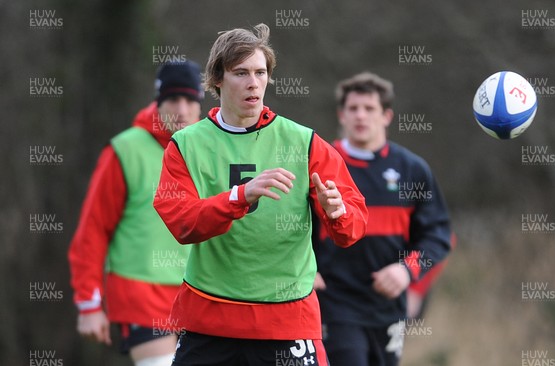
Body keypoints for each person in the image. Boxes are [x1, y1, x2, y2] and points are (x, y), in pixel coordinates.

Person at [152, 24, 368, 366]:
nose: (253, 82)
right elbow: (183, 223)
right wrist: (239, 196)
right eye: (241, 73)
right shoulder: (186, 145)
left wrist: (338, 213)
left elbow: (353, 228)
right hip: (210, 320)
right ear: (217, 79)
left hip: (285, 322)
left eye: (260, 72)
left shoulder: (304, 142)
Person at [68, 60, 204, 366]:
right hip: (142, 296)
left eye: (189, 100)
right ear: (158, 103)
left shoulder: (212, 149)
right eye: (172, 100)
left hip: (202, 295)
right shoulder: (124, 150)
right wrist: (89, 304)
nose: (181, 110)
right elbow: (93, 229)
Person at [312, 72, 452, 366]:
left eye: (369, 108)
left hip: (387, 307)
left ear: (387, 116)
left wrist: (406, 271)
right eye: (353, 109)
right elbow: (292, 227)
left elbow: (438, 236)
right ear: (341, 115)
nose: (361, 116)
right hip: (334, 303)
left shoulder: (413, 170)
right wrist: (304, 270)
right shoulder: (321, 165)